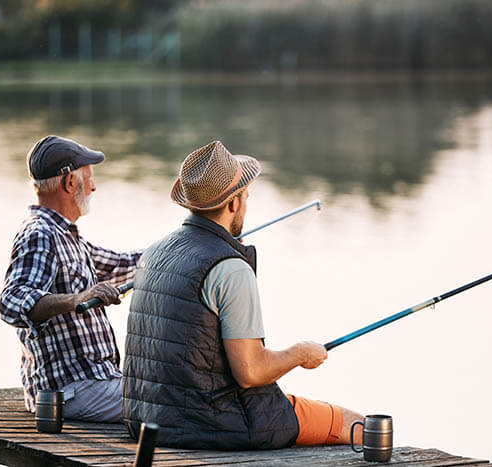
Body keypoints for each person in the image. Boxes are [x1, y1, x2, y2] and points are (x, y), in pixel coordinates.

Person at [122, 140, 363, 449]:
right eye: (246, 195)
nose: (247, 202)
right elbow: (251, 372)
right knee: (359, 426)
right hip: (215, 423)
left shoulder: (154, 253)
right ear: (233, 204)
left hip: (149, 420)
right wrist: (301, 354)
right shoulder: (230, 269)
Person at [0, 135, 142, 422]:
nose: (93, 186)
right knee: (174, 402)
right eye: (89, 178)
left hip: (93, 385)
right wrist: (76, 300)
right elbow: (11, 301)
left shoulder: (67, 237)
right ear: (69, 183)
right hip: (72, 391)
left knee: (171, 395)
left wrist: (185, 247)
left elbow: (125, 264)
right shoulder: (40, 235)